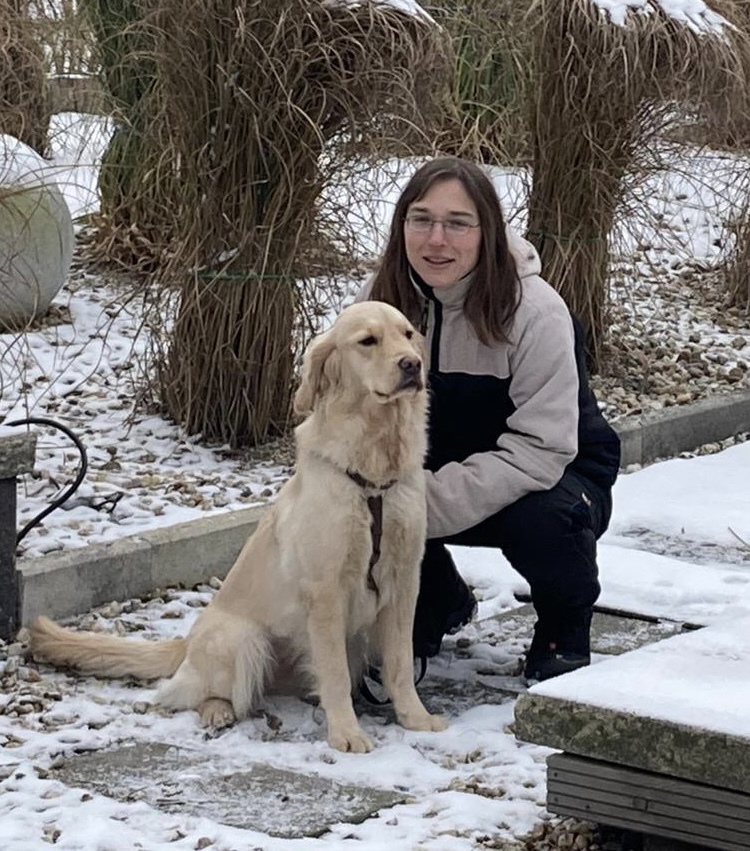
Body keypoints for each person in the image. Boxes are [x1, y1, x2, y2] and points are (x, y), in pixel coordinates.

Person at [355, 157, 621, 682]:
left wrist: (417, 503)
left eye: (458, 223)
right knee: (353, 498)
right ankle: (435, 601)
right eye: (421, 219)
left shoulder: (536, 312)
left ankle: (563, 628)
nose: (437, 240)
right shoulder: (379, 304)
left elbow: (542, 449)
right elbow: (351, 417)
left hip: (551, 476)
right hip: (430, 473)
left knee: (547, 522)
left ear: (488, 232)